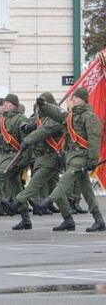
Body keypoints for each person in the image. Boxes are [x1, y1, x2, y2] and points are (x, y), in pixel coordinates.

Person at [30, 88, 105, 232]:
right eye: (73, 97)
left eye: (76, 97)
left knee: (64, 180)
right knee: (87, 191)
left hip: (82, 157)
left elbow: (95, 140)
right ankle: (99, 220)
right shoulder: (70, 116)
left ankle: (46, 203)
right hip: (71, 157)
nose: (73, 99)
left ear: (84, 99)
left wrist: (93, 160)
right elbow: (58, 114)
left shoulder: (90, 117)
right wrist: (44, 105)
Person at [1, 92, 65, 230]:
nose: (39, 108)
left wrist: (27, 139)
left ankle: (16, 204)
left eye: (43, 104)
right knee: (56, 191)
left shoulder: (56, 118)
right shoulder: (41, 116)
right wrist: (27, 126)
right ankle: (68, 218)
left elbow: (44, 130)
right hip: (40, 158)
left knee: (34, 183)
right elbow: (30, 122)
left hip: (51, 157)